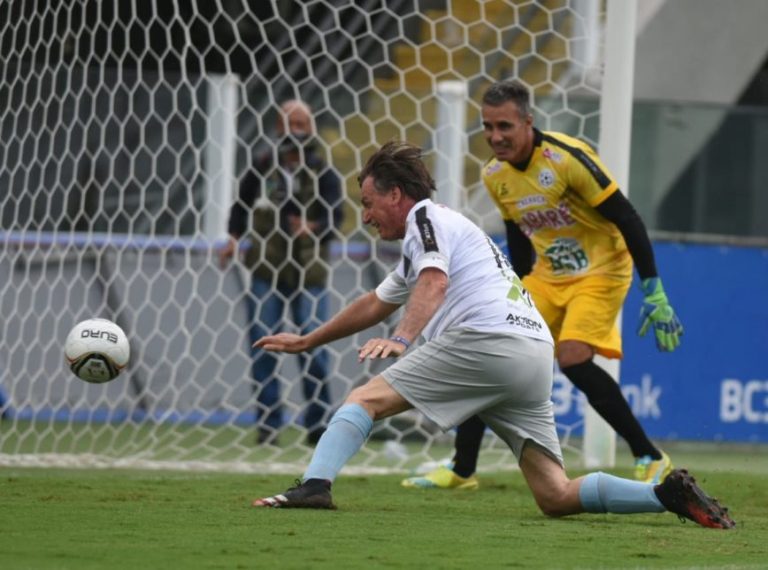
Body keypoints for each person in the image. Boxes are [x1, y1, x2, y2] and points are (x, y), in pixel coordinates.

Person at [250, 141, 733, 529]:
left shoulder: (425, 220)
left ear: (395, 195)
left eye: (369, 203)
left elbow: (433, 283)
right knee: (555, 494)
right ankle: (663, 495)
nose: (368, 214)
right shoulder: (447, 230)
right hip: (532, 353)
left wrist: (400, 340)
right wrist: (309, 340)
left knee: (364, 400)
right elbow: (377, 300)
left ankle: (315, 485)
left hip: (486, 342)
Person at [402, 79, 684, 491]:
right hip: (549, 275)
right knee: (492, 341)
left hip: (602, 270)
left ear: (528, 122)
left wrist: (653, 289)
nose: (496, 137)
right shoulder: (495, 175)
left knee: (572, 356)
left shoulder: (568, 160)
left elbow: (627, 217)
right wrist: (510, 292)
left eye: (505, 127)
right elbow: (519, 238)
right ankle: (463, 470)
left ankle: (650, 456)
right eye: (488, 127)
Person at [219, 99, 344, 445]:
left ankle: (318, 425)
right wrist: (233, 238)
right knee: (263, 345)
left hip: (309, 272)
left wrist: (313, 226)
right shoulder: (263, 166)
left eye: (303, 123)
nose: (297, 130)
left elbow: (337, 216)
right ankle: (269, 425)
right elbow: (241, 204)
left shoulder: (323, 171)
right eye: (291, 123)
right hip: (267, 268)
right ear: (278, 128)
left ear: (313, 128)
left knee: (314, 346)